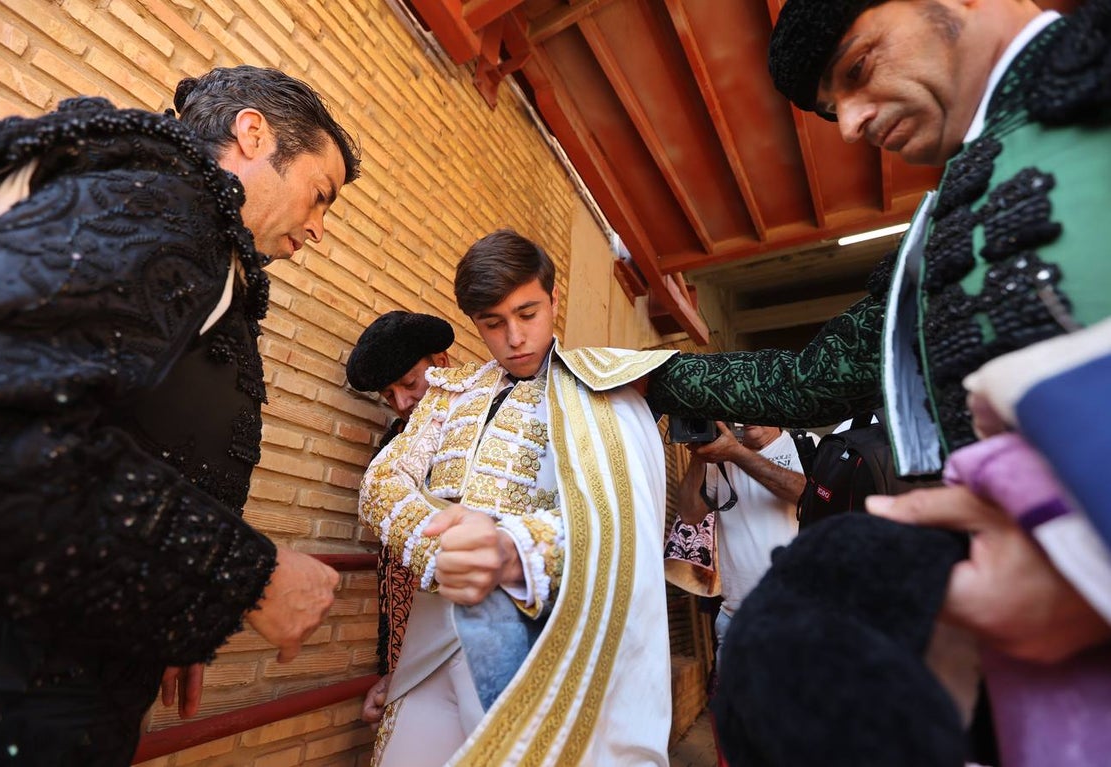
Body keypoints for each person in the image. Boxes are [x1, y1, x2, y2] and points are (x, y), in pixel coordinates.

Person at [641, 0, 1111, 763]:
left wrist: (1083, 564)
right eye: (836, 109)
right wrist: (656, 375)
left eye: (860, 69)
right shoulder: (932, 232)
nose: (853, 123)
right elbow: (811, 380)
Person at [0, 65, 360, 766]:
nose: (320, 228)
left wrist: (165, 606)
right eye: (319, 195)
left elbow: (133, 430)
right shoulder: (160, 201)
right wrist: (242, 575)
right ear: (252, 132)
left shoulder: (200, 232)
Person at [359, 229, 678, 766]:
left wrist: (510, 551)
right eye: (493, 323)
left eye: (527, 314)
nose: (514, 338)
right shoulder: (448, 392)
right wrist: (449, 554)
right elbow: (380, 485)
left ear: (554, 300)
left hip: (533, 636)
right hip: (433, 635)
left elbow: (614, 521)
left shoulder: (598, 391)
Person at [343, 310, 454, 725]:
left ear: (440, 363)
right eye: (389, 395)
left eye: (409, 384)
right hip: (413, 642)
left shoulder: (492, 415)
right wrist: (395, 669)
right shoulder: (396, 442)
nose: (403, 403)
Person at [675, 424, 810, 651]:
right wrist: (698, 454)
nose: (747, 418)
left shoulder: (805, 444)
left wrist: (737, 454)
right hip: (735, 618)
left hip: (795, 616)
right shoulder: (720, 460)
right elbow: (689, 515)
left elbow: (805, 494)